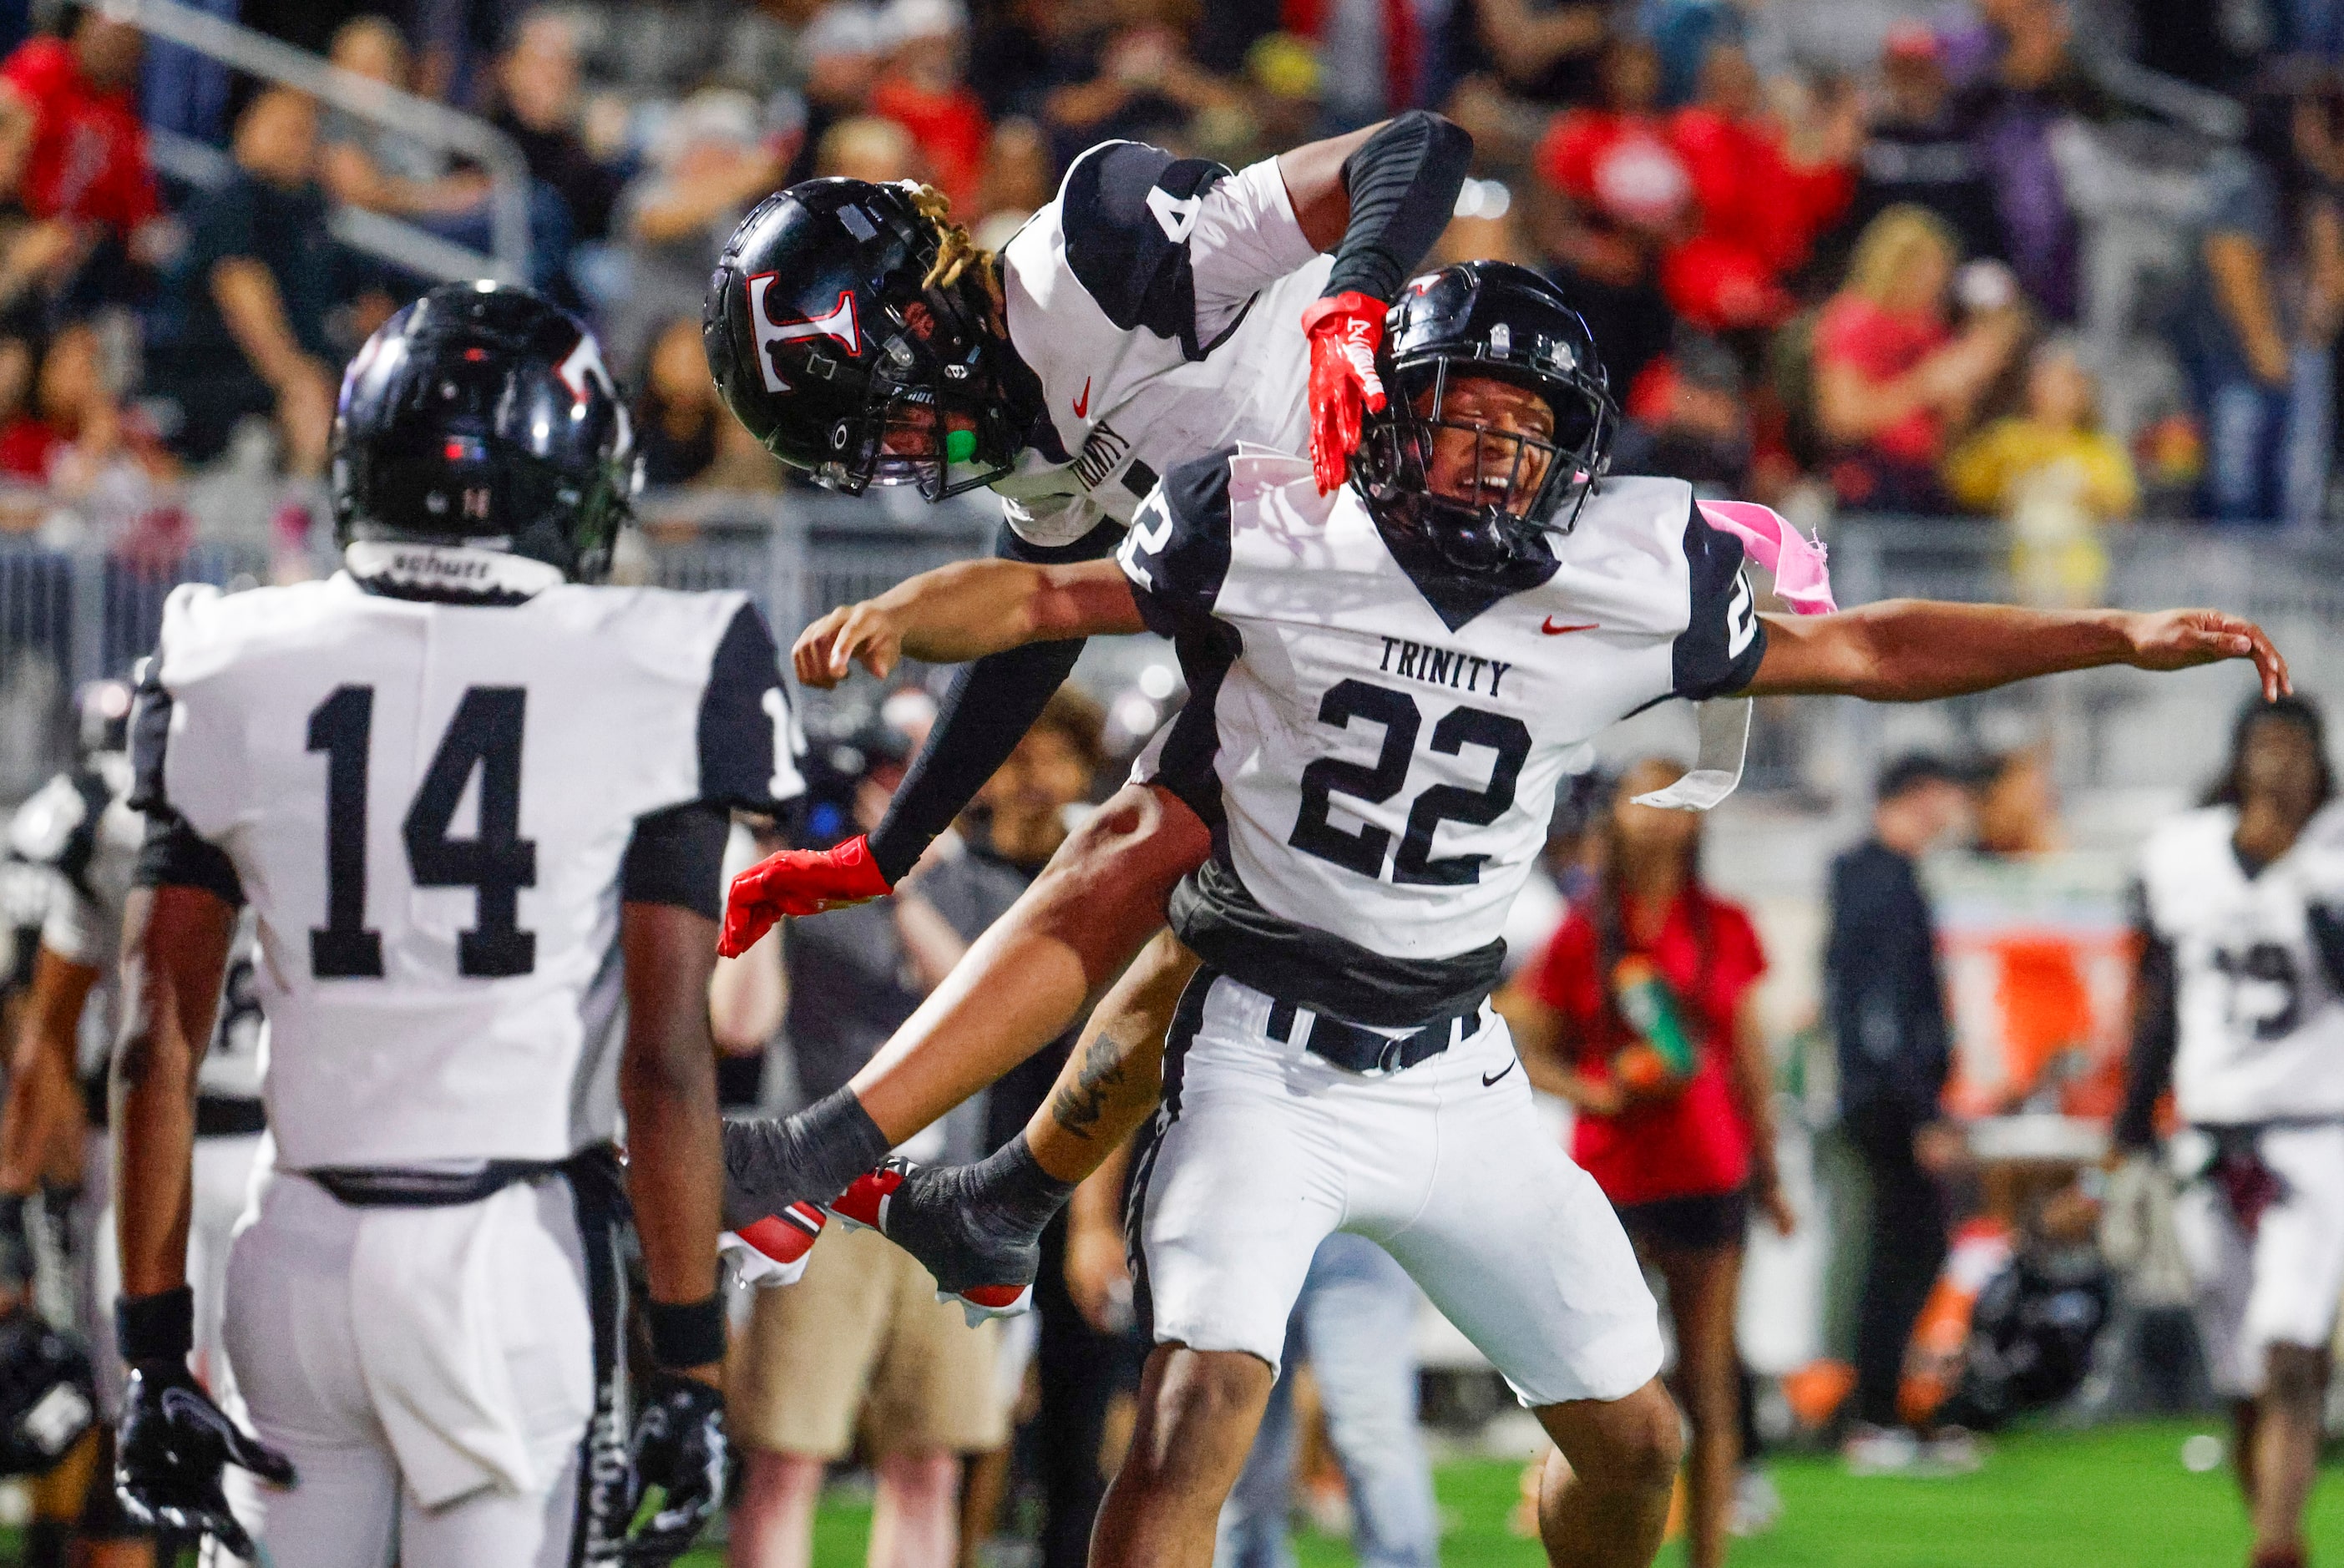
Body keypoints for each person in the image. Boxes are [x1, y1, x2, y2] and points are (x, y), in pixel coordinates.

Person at [737, 260, 2288, 1568]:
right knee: (1196, 1408)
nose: (1491, 448)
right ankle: (957, 1184)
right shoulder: (1275, 522)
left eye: (1525, 423)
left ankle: (988, 1194)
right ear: (1390, 417)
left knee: (1637, 1450)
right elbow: (1044, 597)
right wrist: (904, 611)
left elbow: (1869, 649)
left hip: (1457, 1075)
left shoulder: (1632, 572)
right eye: (1462, 412)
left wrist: (2112, 632)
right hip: (1262, 1067)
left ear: (1577, 447)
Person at [703, 110, 1477, 1291]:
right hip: (1308, 634)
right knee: (1173, 880)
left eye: (896, 417)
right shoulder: (1025, 433)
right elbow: (1030, 637)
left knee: (1140, 851)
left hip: (1431, 564)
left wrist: (1350, 301)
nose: (912, 455)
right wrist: (889, 847)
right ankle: (979, 1198)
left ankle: (863, 1168)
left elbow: (1415, 147)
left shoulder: (1100, 249)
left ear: (923, 313)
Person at [108, 283, 799, 1565]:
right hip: (504, 1258)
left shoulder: (227, 648)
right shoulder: (666, 657)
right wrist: (692, 1368)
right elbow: (665, 1058)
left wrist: (151, 1342)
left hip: (291, 1241)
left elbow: (154, 1036)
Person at [726, 717, 1005, 1568]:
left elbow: (978, 1008)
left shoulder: (986, 889)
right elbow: (740, 1025)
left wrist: (900, 886)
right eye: (885, 767)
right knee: (786, 1455)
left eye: (917, 764)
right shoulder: (809, 885)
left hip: (944, 1202)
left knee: (928, 1461)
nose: (896, 784)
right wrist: (761, 875)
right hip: (818, 1200)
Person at [1499, 757, 1791, 1568]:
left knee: (1709, 1384)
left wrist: (1769, 1174)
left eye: (1678, 798)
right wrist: (1590, 1089)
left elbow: (1747, 1056)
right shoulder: (1579, 931)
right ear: (1613, 814)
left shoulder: (1722, 922)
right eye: (1643, 796)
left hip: (1708, 1170)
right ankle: (1584, 1531)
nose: (1661, 814)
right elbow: (1517, 1034)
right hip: (1611, 1180)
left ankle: (1707, 1556)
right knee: (1598, 1379)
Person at [0, 679, 255, 1568]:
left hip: (139, 1152)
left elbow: (42, 1041)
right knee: (282, 1442)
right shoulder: (301, 812)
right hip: (283, 1155)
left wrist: (14, 1193)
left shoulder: (108, 827)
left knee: (130, 1437)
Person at [2118, 695, 2343, 1568]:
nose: (2276, 767)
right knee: (2240, 1377)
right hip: (2209, 1136)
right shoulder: (2183, 852)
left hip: (2313, 1133)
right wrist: (2130, 1124)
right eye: (2262, 746)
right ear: (2236, 756)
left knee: (2291, 1345)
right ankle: (2274, 1532)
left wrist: (2295, 874)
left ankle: (2273, 1546)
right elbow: (2160, 997)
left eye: (2293, 750)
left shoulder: (2329, 851)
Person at [1825, 753, 1978, 1474]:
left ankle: (1875, 1408)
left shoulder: (1859, 876)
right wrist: (1923, 1111)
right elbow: (1887, 1009)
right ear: (1916, 795)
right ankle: (1875, 1412)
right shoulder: (1885, 882)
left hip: (1873, 1094)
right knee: (1905, 1250)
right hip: (1892, 1101)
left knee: (1891, 1249)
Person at [144, 90, 363, 476]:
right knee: (309, 401)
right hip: (213, 372)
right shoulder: (232, 200)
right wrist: (293, 376)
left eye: (304, 134)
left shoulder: (310, 210)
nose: (295, 144)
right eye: (283, 130)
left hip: (296, 366)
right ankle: (296, 521)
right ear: (248, 131)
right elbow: (242, 294)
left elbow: (356, 296)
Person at [1812, 205, 2024, 512]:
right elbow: (1841, 418)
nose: (1936, 285)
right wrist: (1927, 383)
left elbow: (1949, 429)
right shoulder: (1855, 319)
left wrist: (1976, 373)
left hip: (1929, 478)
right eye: (1928, 271)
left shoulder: (1932, 328)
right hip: (1869, 479)